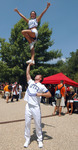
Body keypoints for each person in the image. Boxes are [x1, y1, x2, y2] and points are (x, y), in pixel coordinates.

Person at [24, 63, 51, 148]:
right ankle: (27, 139)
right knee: (27, 123)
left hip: (35, 107)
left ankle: (40, 140)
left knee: (38, 124)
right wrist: (29, 65)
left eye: (38, 75)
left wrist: (41, 94)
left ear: (40, 78)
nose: (36, 75)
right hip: (28, 106)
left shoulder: (41, 86)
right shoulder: (31, 82)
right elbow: (27, 74)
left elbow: (49, 94)